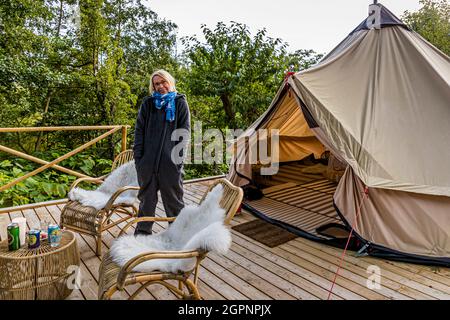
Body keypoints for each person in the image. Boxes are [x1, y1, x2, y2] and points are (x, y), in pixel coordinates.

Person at [133, 69, 191, 235]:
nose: (160, 86)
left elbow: (184, 134)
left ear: (170, 82)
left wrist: (178, 162)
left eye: (163, 82)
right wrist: (139, 159)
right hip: (147, 163)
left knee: (174, 201)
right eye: (156, 84)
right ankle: (142, 236)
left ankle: (179, 235)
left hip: (170, 163)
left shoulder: (179, 102)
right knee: (146, 201)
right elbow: (139, 132)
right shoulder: (148, 104)